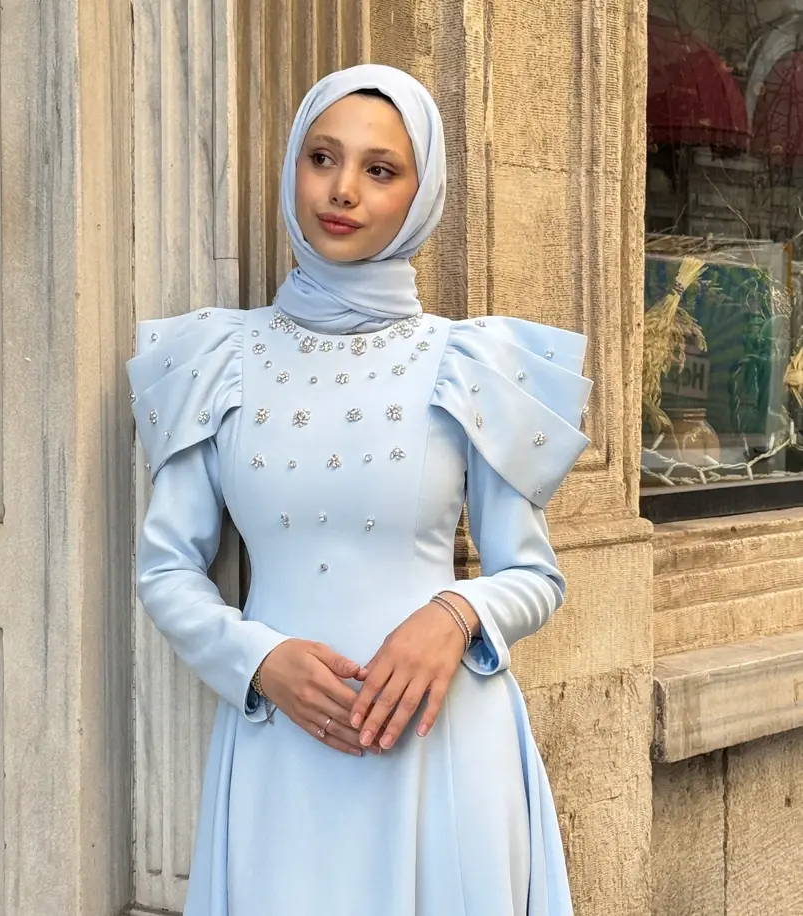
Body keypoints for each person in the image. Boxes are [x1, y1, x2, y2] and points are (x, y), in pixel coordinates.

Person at [128, 63, 592, 916]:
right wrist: (258, 661)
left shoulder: (468, 362)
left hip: (442, 750)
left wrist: (453, 615)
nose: (342, 190)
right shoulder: (218, 360)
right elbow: (165, 570)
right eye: (322, 158)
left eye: (380, 170)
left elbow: (534, 576)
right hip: (281, 751)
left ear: (421, 195)